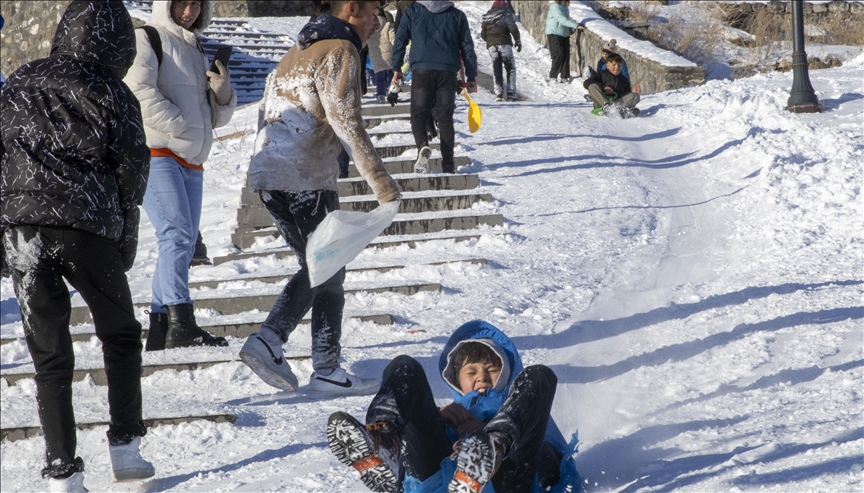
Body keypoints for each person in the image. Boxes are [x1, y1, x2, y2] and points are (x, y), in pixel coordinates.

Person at [0, 2, 155, 491]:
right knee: (121, 333)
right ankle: (126, 446)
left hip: (22, 226)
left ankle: (62, 472)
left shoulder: (19, 80)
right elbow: (132, 169)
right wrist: (125, 237)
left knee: (48, 354)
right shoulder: (112, 90)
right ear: (118, 43)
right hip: (84, 225)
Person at [240, 0, 401, 395]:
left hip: (270, 174)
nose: (377, 22)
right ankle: (271, 340)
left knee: (323, 265)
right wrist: (382, 185)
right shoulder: (339, 50)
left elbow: (266, 116)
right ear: (351, 9)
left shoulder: (294, 52)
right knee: (325, 264)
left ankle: (324, 366)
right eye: (373, 12)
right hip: (305, 177)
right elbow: (348, 123)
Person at [326, 320, 579, 493]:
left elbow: (554, 459)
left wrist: (490, 431)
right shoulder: (448, 413)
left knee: (540, 376)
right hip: (438, 483)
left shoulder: (521, 404)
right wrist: (439, 421)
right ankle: (383, 441)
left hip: (507, 483)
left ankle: (492, 451)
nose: (482, 377)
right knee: (405, 366)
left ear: (507, 374)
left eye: (492, 369)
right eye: (472, 371)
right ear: (455, 379)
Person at [124, 0, 236, 351]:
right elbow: (138, 91)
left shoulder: (196, 47)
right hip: (158, 153)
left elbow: (215, 116)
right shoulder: (149, 38)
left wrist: (221, 93)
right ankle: (181, 322)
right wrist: (180, 123)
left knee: (181, 243)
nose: (189, 11)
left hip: (191, 160)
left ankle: (160, 328)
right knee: (176, 235)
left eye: (196, 5)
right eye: (182, 3)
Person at [392, 1, 478, 175]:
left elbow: (400, 39)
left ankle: (423, 145)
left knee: (418, 113)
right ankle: (448, 165)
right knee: (445, 118)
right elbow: (467, 46)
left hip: (422, 69)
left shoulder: (412, 11)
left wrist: (396, 68)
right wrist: (471, 76)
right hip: (447, 71)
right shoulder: (457, 15)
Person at [481, 0, 522, 102]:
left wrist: (490, 41)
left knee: (497, 68)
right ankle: (511, 93)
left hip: (491, 46)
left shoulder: (487, 17)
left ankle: (498, 93)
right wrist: (517, 41)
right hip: (504, 44)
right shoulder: (505, 14)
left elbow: (483, 34)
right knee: (510, 68)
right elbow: (513, 28)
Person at [583, 52, 640, 118]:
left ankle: (621, 111)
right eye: (614, 65)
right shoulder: (601, 74)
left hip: (616, 104)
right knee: (592, 85)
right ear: (607, 65)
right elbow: (586, 83)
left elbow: (626, 95)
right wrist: (603, 87)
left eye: (619, 65)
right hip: (601, 104)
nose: (617, 67)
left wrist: (634, 92)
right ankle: (607, 107)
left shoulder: (623, 80)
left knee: (635, 95)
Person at [545, 0, 584, 84]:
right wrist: (575, 25)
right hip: (554, 33)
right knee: (558, 54)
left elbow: (566, 20)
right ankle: (553, 76)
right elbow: (561, 19)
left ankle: (564, 76)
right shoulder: (555, 6)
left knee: (566, 55)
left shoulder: (564, 6)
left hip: (564, 34)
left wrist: (570, 28)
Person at [368, 5, 396, 104]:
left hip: (376, 56)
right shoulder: (388, 25)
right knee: (391, 76)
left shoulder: (369, 26)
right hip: (389, 54)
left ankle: (381, 96)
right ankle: (392, 94)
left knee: (380, 77)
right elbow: (394, 39)